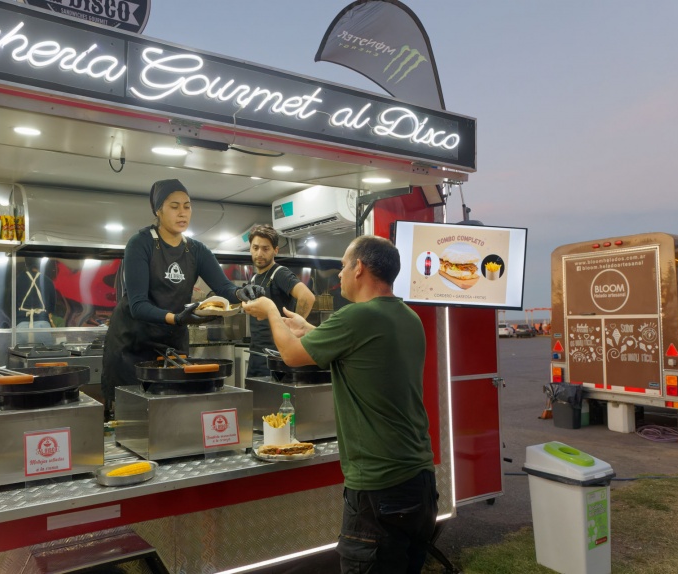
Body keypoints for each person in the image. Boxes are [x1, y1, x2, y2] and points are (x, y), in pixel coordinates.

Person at [242, 235, 437, 573]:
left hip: (378, 489)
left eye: (345, 266)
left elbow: (289, 355)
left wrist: (271, 310)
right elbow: (355, 348)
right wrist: (307, 328)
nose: (340, 275)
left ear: (359, 268)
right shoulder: (408, 317)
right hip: (419, 481)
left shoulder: (357, 318)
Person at [101, 179, 265, 417]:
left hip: (172, 344)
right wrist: (178, 318)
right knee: (133, 417)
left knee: (174, 412)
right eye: (174, 206)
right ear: (158, 210)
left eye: (187, 206)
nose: (182, 212)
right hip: (132, 345)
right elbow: (137, 305)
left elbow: (224, 286)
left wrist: (242, 292)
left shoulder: (196, 250)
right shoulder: (141, 244)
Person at [245, 224, 315, 378]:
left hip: (276, 356)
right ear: (250, 248)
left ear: (275, 250)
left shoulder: (279, 273)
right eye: (255, 248)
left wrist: (294, 329)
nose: (259, 253)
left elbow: (307, 297)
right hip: (256, 354)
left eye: (265, 248)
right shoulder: (254, 278)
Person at [15, 257, 56, 344]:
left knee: (19, 355)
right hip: (42, 325)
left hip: (22, 325)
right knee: (44, 355)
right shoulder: (48, 281)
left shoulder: (17, 280)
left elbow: (11, 305)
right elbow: (52, 307)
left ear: (26, 264)